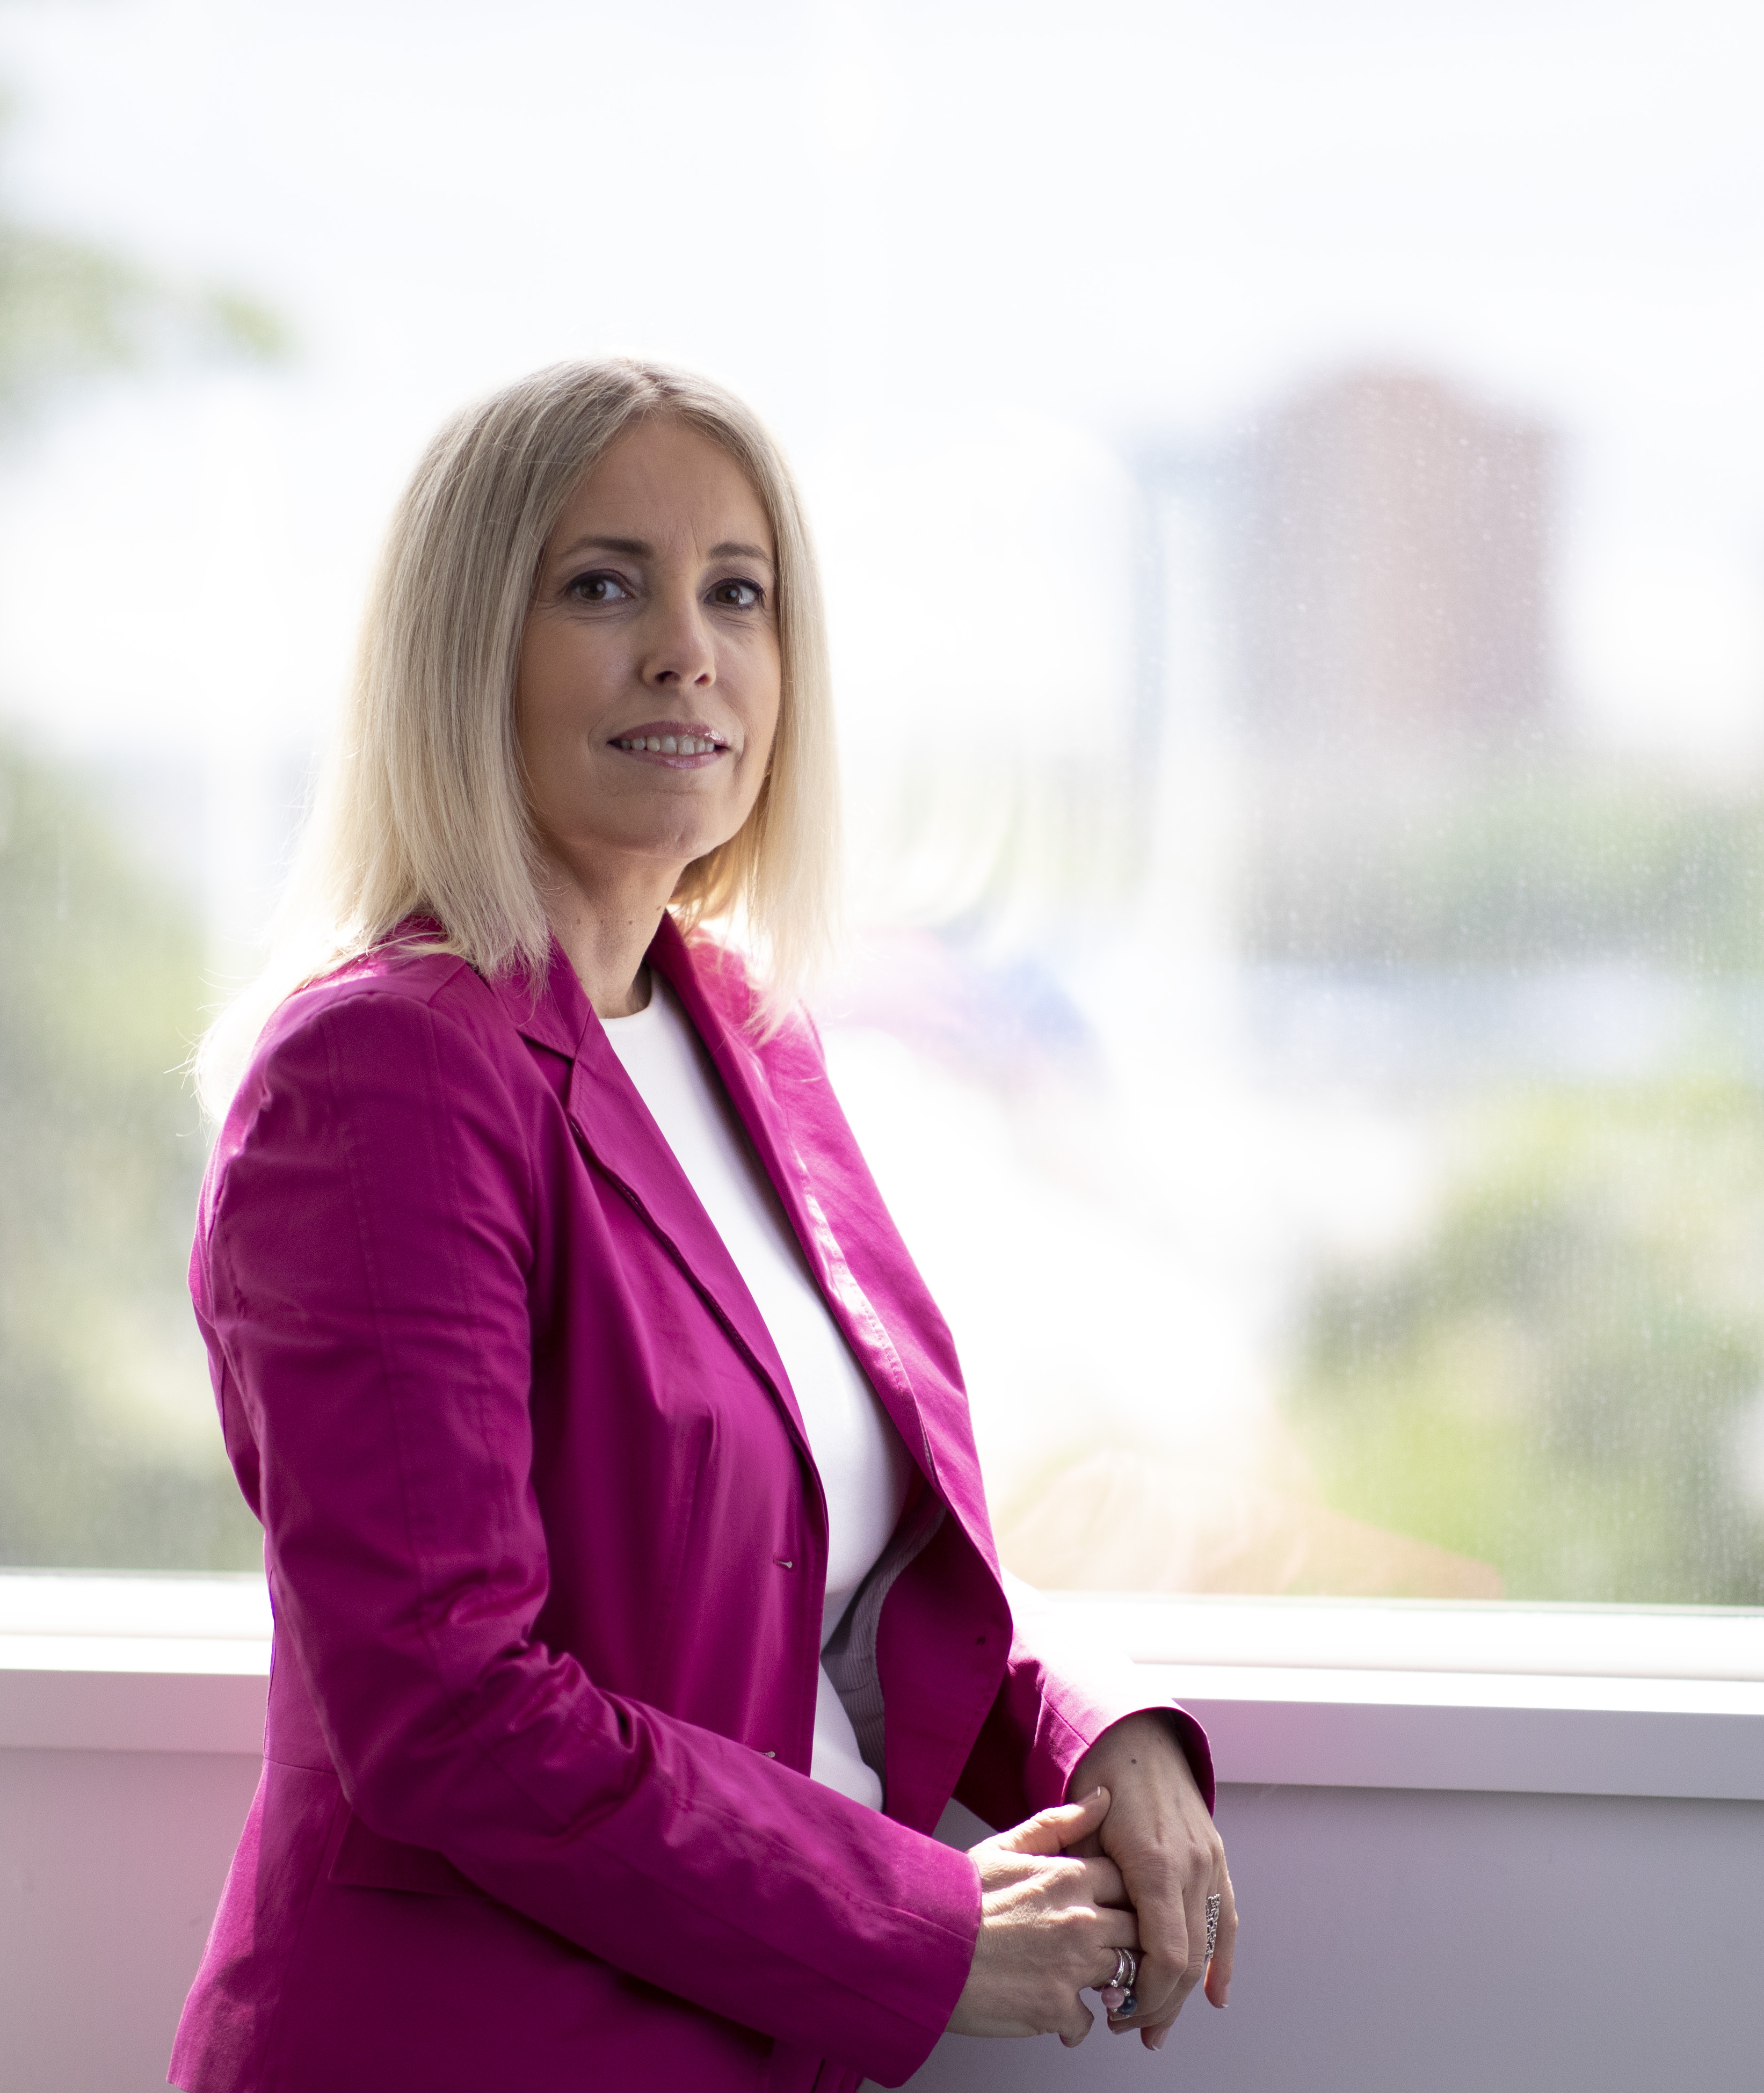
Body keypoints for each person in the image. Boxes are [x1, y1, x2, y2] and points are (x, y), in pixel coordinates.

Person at [171, 358, 1237, 2092]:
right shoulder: (381, 1072)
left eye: (738, 593)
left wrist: (1091, 1723)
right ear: (468, 650)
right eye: (606, 587)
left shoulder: (743, 1028)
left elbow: (851, 1539)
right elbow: (448, 1706)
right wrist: (924, 1927)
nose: (689, 650)